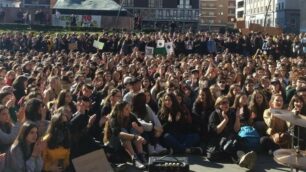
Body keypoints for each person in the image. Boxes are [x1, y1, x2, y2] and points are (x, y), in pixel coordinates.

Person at [207, 96, 257, 170]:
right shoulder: (214, 114)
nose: (226, 104)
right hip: (218, 140)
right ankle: (243, 159)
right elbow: (217, 131)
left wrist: (237, 117)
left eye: (227, 102)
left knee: (235, 143)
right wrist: (225, 120)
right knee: (231, 146)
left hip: (230, 139)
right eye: (223, 103)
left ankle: (243, 160)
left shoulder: (232, 113)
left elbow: (236, 130)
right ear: (218, 105)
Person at [104, 101, 146, 169]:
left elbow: (141, 129)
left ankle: (141, 155)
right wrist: (135, 137)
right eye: (126, 109)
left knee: (133, 130)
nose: (129, 110)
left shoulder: (131, 115)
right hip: (114, 142)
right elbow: (118, 134)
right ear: (120, 110)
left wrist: (137, 127)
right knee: (123, 131)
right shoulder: (113, 118)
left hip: (128, 142)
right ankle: (134, 158)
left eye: (129, 108)